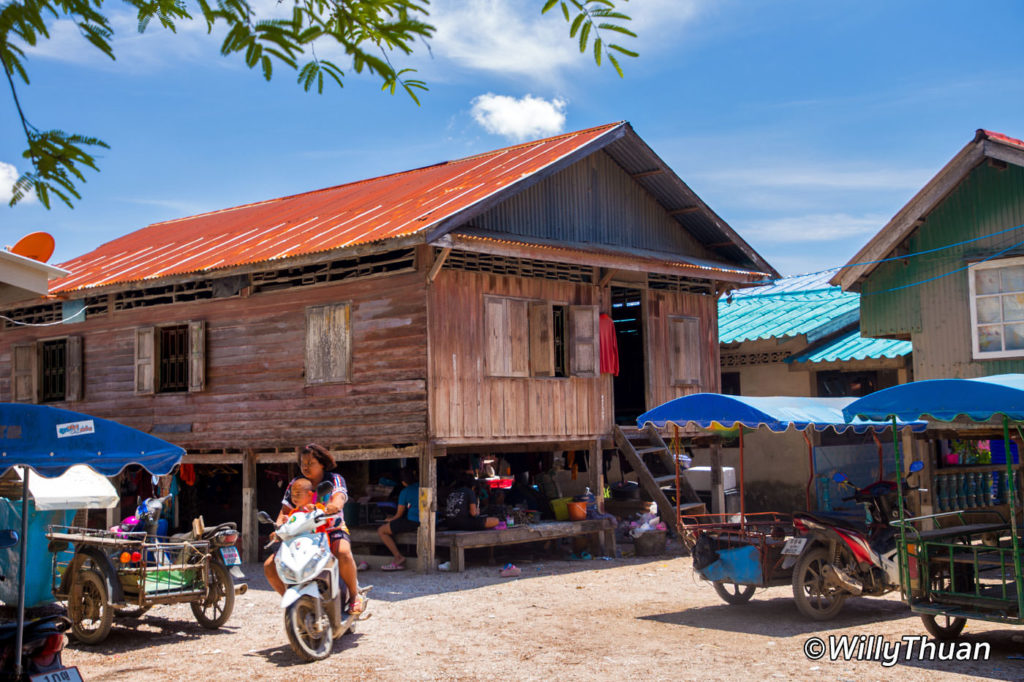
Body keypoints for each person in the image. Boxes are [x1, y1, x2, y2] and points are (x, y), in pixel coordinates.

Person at [263, 443, 364, 614]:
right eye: (303, 463)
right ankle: (295, 604)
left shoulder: (334, 479)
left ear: (322, 463)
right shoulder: (296, 483)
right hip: (300, 534)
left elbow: (339, 497)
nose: (306, 467)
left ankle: (355, 595)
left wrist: (333, 505)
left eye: (311, 463)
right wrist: (279, 526)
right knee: (270, 565)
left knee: (343, 553)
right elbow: (284, 511)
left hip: (332, 529)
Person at [377, 469, 419, 570]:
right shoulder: (421, 486)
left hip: (414, 522)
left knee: (381, 530)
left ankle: (398, 557)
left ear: (403, 482)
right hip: (428, 521)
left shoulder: (405, 492)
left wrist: (390, 519)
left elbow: (398, 515)